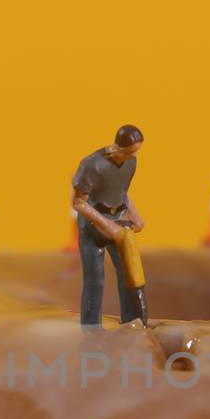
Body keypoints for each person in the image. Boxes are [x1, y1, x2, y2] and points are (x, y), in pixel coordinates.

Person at [71, 124, 146, 326]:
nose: (132, 155)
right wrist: (106, 225)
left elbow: (122, 193)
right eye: (129, 151)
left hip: (118, 220)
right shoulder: (92, 165)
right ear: (119, 147)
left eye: (135, 151)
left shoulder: (131, 162)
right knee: (95, 279)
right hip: (93, 224)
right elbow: (78, 203)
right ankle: (91, 327)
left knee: (127, 273)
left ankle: (132, 322)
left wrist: (136, 216)